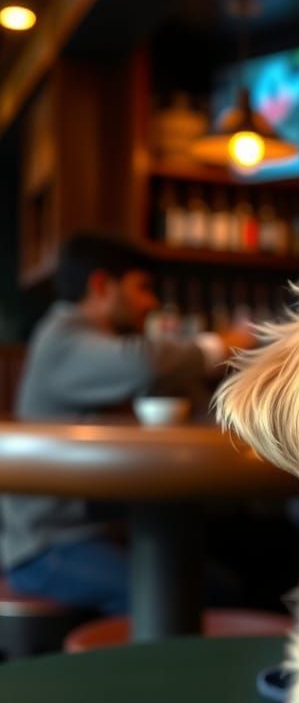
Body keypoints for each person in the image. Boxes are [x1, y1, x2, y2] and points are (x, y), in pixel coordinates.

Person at [0, 233, 254, 614]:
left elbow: (184, 393)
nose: (151, 303)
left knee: (221, 584)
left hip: (103, 532)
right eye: (142, 288)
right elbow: (143, 365)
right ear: (101, 285)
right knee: (181, 597)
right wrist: (220, 344)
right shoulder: (63, 337)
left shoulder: (107, 342)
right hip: (47, 547)